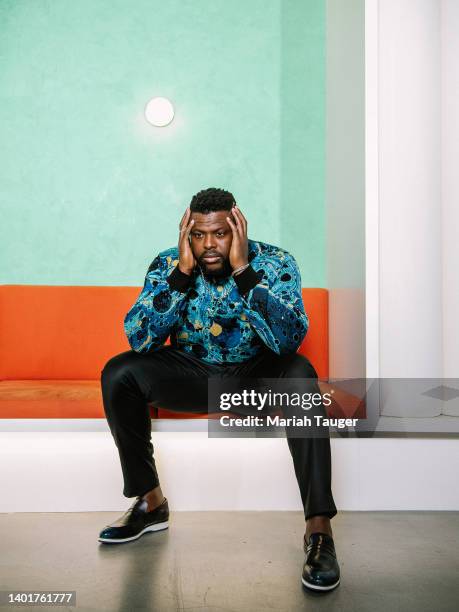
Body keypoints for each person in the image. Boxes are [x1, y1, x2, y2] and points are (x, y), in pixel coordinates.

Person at [99, 187, 340, 591]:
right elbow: (139, 339)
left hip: (256, 376)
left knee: (300, 373)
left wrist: (245, 271)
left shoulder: (277, 263)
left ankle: (319, 531)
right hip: (194, 375)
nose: (209, 244)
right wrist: (179, 275)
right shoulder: (167, 264)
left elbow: (288, 341)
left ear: (238, 229)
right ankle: (149, 502)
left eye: (220, 234)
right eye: (198, 234)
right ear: (187, 233)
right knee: (119, 372)